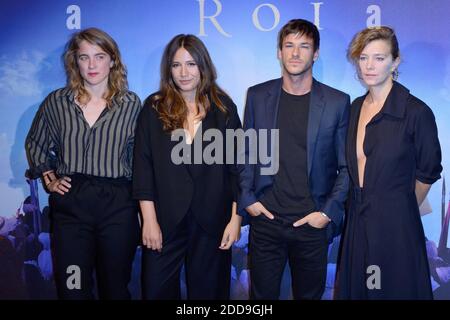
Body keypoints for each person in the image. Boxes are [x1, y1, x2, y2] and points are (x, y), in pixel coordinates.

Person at [25, 28, 141, 299]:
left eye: (99, 56)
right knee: (73, 288)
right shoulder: (56, 102)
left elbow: (140, 158)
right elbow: (36, 143)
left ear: (112, 60)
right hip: (72, 207)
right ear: (74, 61)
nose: (91, 65)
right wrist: (49, 178)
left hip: (118, 206)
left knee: (115, 288)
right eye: (84, 57)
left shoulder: (131, 104)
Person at [238, 19, 350, 300]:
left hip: (311, 225)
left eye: (304, 46)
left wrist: (326, 214)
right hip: (266, 221)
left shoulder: (337, 102)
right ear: (279, 52)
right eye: (289, 45)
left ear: (316, 53)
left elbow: (347, 167)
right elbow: (245, 151)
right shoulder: (257, 95)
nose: (295, 53)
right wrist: (248, 200)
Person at [336, 26, 442, 299]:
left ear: (395, 62)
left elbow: (428, 173)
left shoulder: (416, 112)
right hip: (357, 223)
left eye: (379, 58)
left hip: (395, 227)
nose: (369, 65)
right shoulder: (355, 108)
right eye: (363, 57)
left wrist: (398, 207)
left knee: (389, 291)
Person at [133, 34, 242, 300]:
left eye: (191, 64)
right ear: (168, 69)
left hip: (212, 222)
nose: (184, 72)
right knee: (155, 290)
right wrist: (149, 220)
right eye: (176, 65)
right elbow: (143, 166)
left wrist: (235, 219)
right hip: (164, 221)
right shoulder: (154, 107)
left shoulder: (224, 108)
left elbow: (238, 168)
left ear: (203, 66)